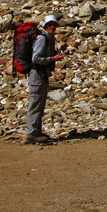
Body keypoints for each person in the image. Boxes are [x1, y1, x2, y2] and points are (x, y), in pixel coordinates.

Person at [25, 15, 65, 144]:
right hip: (37, 74)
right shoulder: (42, 39)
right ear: (45, 26)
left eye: (54, 25)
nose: (52, 27)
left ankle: (36, 132)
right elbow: (35, 58)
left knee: (40, 104)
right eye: (50, 24)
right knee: (35, 103)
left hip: (42, 75)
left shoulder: (49, 39)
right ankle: (31, 134)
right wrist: (53, 59)